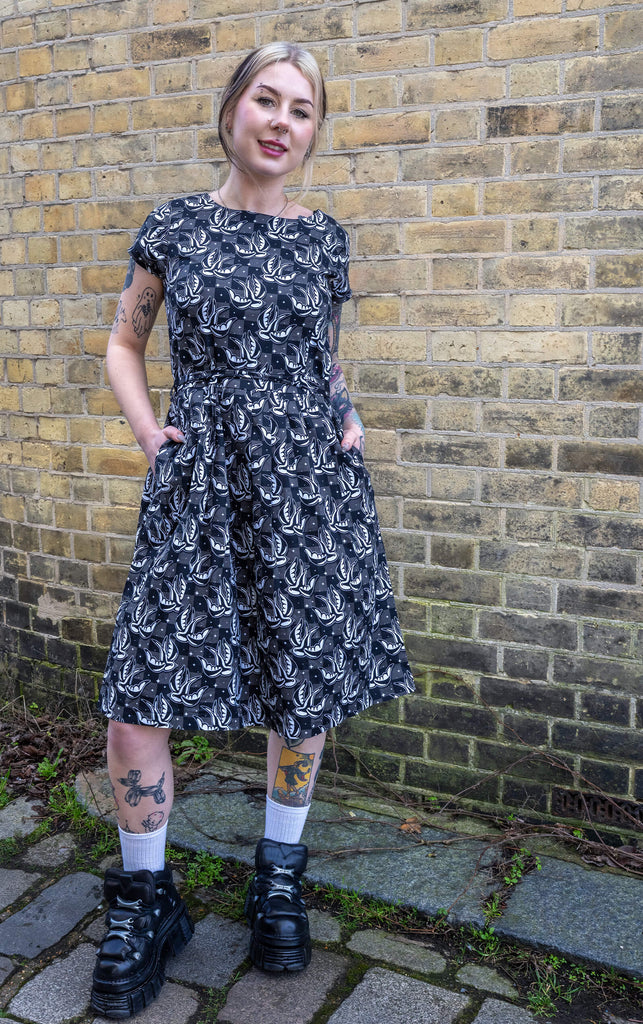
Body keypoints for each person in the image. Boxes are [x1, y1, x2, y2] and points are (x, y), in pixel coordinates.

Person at [90, 41, 416, 1019]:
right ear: (231, 110)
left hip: (309, 490)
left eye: (302, 109)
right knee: (137, 697)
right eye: (265, 100)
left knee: (301, 681)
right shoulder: (176, 228)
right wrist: (152, 433)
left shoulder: (327, 240)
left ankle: (279, 874)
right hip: (197, 492)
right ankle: (148, 898)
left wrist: (346, 411)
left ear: (314, 132)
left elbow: (322, 360)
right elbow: (123, 340)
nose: (281, 120)